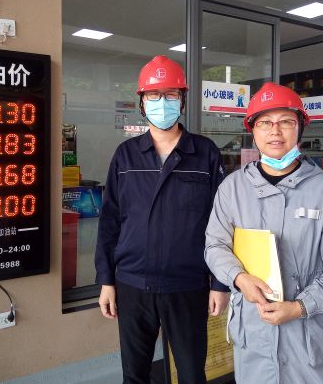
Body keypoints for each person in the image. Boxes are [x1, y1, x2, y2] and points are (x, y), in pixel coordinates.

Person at [204, 82, 323, 383]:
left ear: (300, 128)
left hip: (310, 338)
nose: (275, 131)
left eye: (286, 122)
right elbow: (215, 246)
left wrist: (300, 306)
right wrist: (238, 278)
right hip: (254, 334)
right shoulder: (232, 189)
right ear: (253, 130)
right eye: (265, 122)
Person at [95, 55, 230, 384]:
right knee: (135, 374)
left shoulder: (205, 153)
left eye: (171, 94)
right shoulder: (126, 155)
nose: (162, 102)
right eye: (154, 95)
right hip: (132, 284)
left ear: (182, 100)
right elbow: (110, 221)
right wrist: (106, 279)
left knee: (191, 374)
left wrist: (220, 283)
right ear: (142, 102)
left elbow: (223, 222)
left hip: (187, 285)